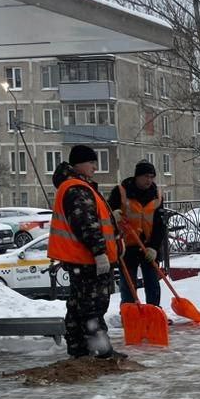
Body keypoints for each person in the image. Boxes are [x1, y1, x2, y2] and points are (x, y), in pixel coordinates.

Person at [48, 145, 120, 359]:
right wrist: (100, 252)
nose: (95, 167)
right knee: (93, 306)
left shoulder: (76, 186)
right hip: (87, 259)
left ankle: (79, 349)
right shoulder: (76, 188)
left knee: (79, 304)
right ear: (78, 164)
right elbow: (86, 224)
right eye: (91, 162)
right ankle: (100, 350)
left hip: (81, 259)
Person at [109, 161, 166, 306]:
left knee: (152, 282)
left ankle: (153, 312)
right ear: (137, 176)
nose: (149, 180)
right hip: (126, 245)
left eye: (152, 177)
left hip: (148, 247)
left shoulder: (156, 195)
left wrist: (154, 247)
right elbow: (107, 211)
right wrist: (113, 214)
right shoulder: (121, 191)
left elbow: (160, 224)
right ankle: (130, 313)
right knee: (128, 284)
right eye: (146, 176)